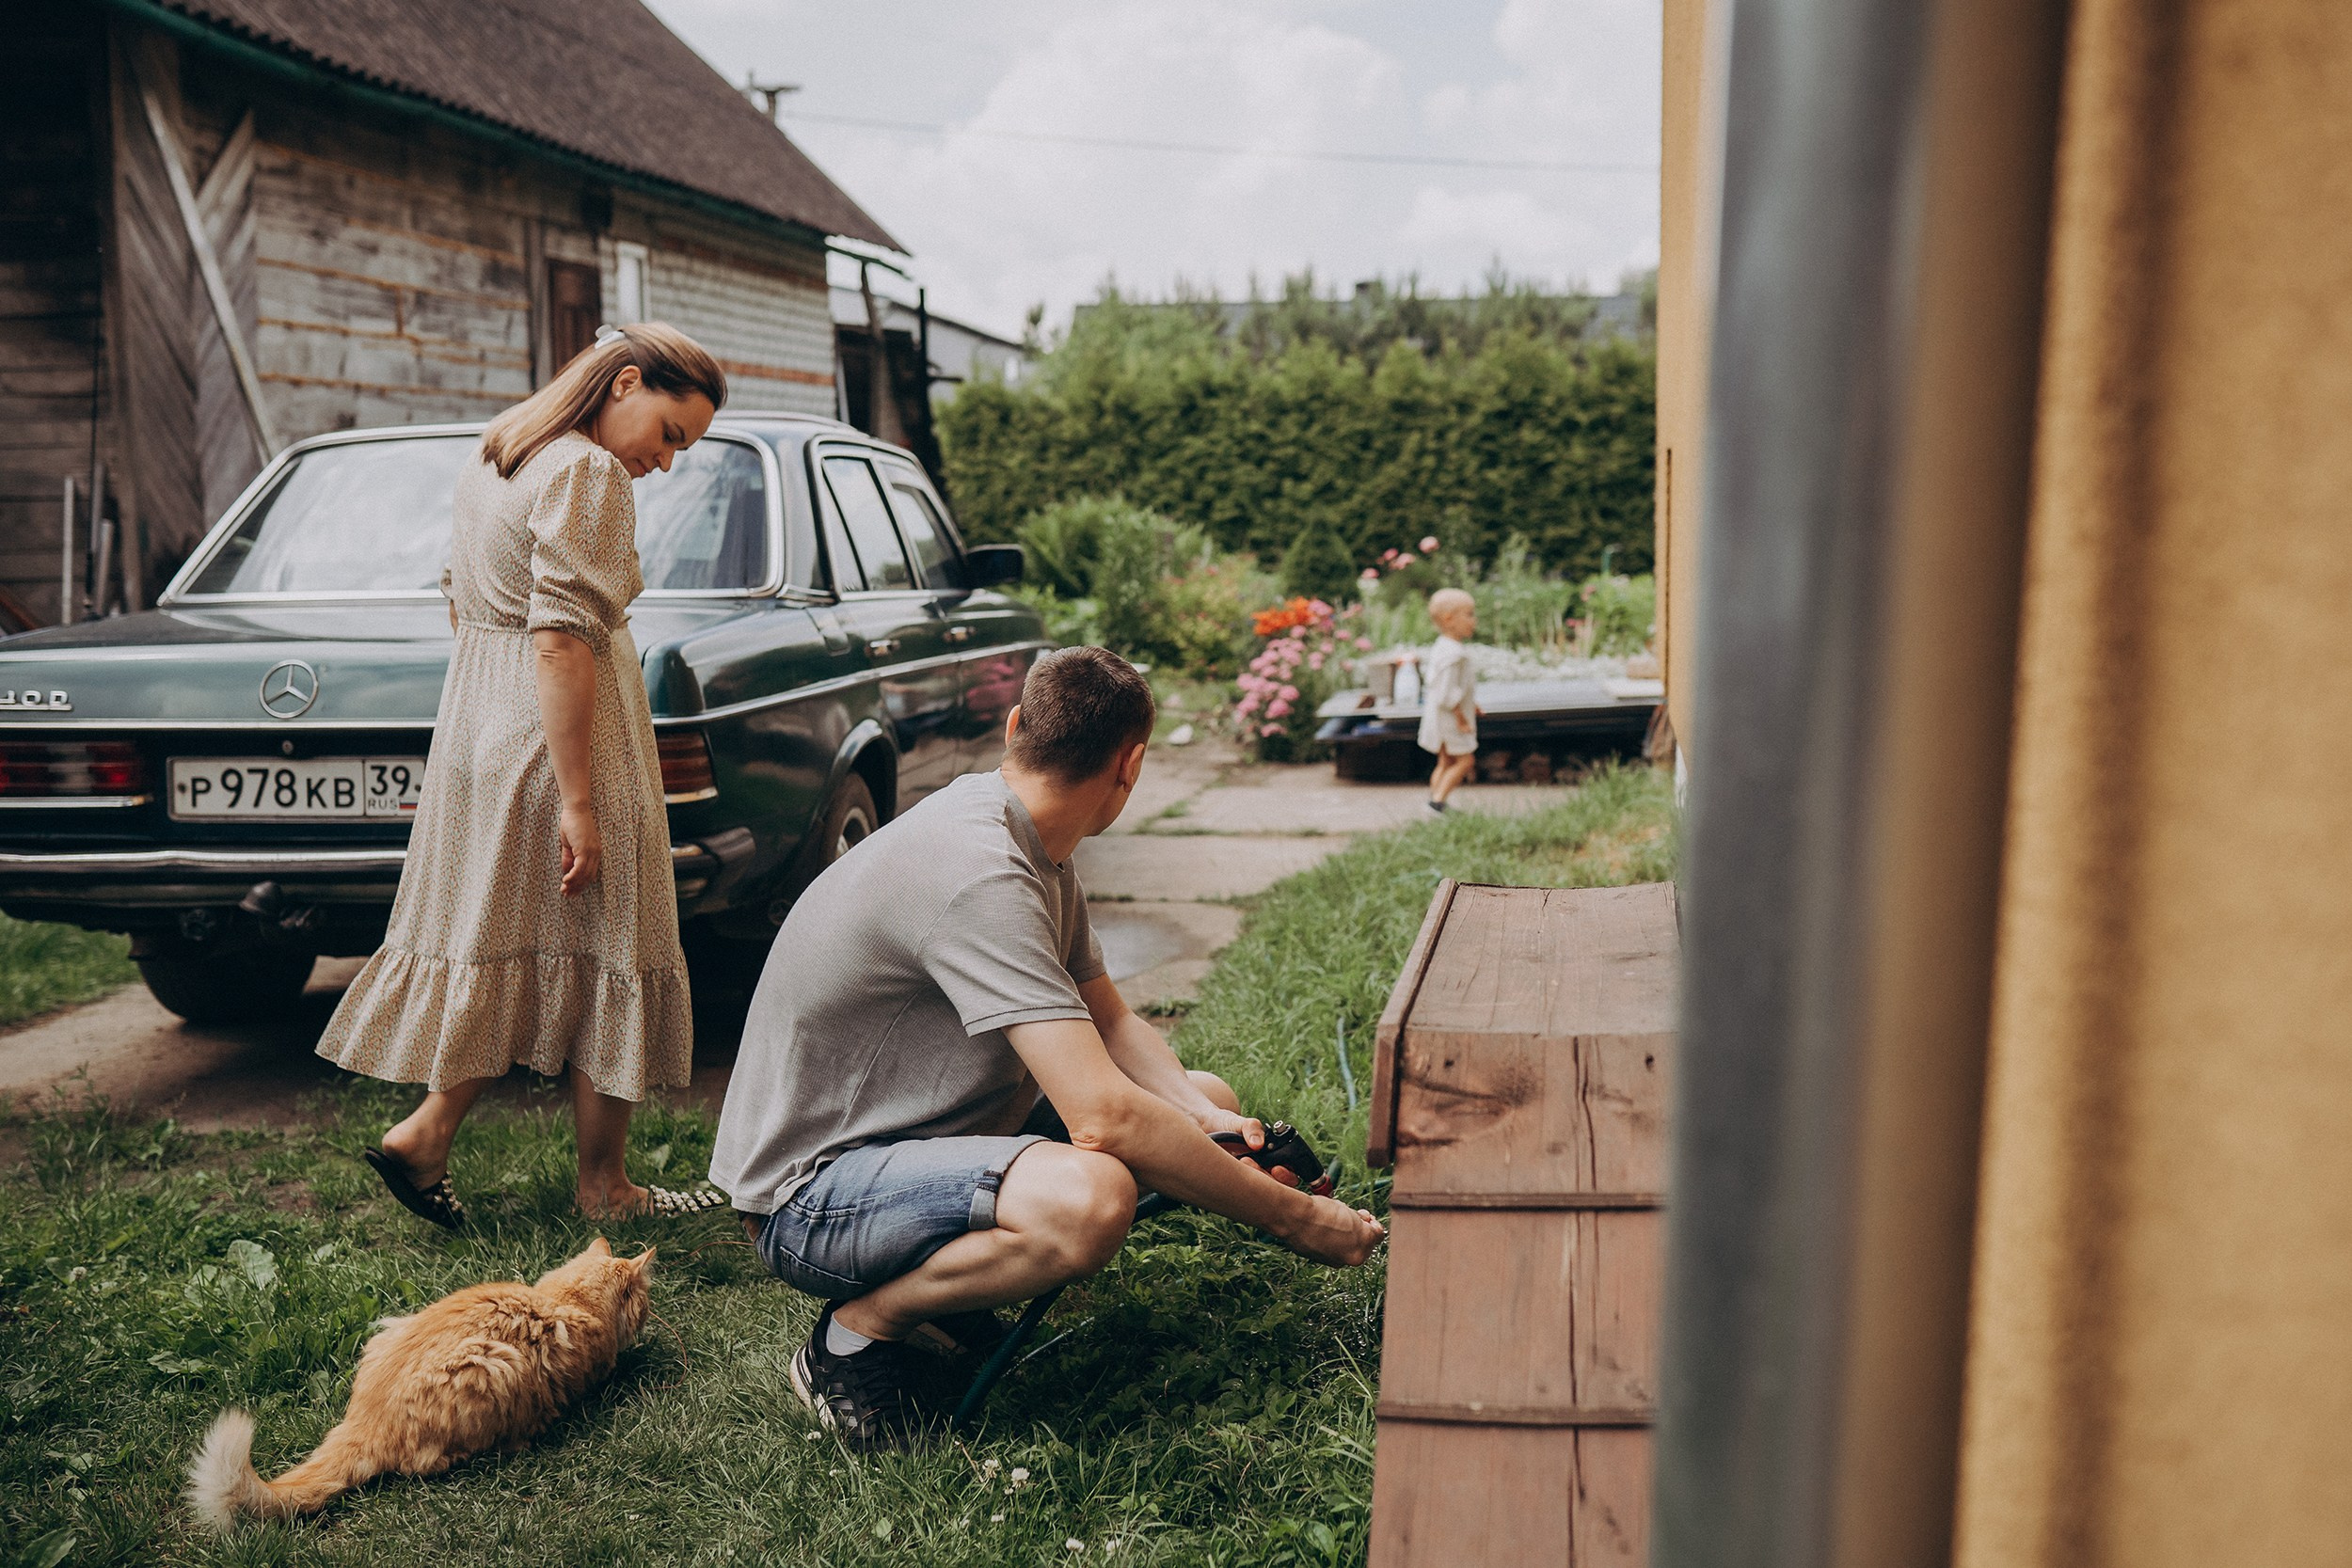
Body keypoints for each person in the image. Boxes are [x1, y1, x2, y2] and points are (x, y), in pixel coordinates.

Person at [711, 646, 1386, 1448]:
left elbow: (1112, 1021)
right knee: (1092, 1198)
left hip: (912, 1145)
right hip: (809, 1199)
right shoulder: (980, 872)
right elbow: (1102, 1117)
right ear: (1128, 766)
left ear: (1015, 726)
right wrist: (1298, 1220)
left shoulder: (1028, 835)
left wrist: (1206, 1118)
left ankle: (951, 1308)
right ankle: (857, 1331)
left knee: (1209, 1105)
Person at [318, 323, 731, 1227]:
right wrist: (579, 799)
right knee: (613, 938)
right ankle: (606, 1187)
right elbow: (559, 637)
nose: (666, 463)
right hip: (560, 738)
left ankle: (426, 1133)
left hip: (484, 721)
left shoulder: (504, 445)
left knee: (505, 937)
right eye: (669, 433)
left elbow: (460, 592)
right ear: (625, 382)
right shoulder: (585, 471)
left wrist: (497, 704)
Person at [1418, 588, 1481, 811]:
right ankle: (1437, 803)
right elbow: (1447, 693)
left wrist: (1472, 705)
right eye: (1469, 614)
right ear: (1449, 619)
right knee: (1465, 760)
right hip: (1449, 718)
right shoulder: (1454, 654)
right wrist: (1461, 718)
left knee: (1445, 761)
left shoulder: (1442, 647)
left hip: (1439, 715)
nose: (1474, 620)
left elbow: (1452, 688)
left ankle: (1434, 800)